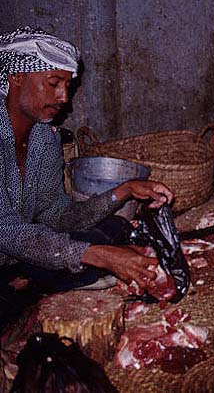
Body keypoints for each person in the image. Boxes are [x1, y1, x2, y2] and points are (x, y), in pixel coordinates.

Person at [0, 27, 174, 327]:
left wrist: (124, 191)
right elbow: (6, 231)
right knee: (93, 257)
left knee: (114, 230)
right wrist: (100, 256)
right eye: (54, 83)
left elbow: (55, 214)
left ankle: (36, 279)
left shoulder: (44, 137)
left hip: (21, 250)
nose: (64, 97)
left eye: (68, 85)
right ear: (17, 78)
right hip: (8, 250)